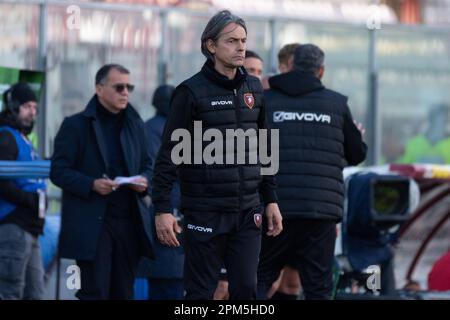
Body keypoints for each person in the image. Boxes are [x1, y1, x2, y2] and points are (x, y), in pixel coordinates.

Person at [152, 10, 282, 300]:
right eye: (232, 41)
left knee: (246, 290)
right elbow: (168, 156)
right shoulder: (190, 92)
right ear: (211, 46)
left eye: (243, 40)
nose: (240, 47)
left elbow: (265, 147)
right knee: (200, 292)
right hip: (205, 211)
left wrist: (271, 200)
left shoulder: (254, 88)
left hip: (248, 211)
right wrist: (161, 209)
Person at [257, 44, 367, 300]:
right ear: (321, 71)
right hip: (320, 212)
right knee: (318, 287)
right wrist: (356, 139)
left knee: (261, 278)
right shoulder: (337, 104)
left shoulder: (268, 101)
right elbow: (357, 154)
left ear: (291, 66)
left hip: (275, 208)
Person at [50, 64, 154, 300]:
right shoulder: (76, 125)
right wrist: (91, 184)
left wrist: (144, 182)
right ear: (99, 89)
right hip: (92, 226)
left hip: (129, 223)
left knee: (124, 293)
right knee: (94, 292)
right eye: (119, 87)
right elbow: (58, 171)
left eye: (129, 87)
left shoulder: (135, 125)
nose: (125, 92)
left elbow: (150, 166)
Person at [136, 84, 185, 300]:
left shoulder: (147, 128)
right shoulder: (178, 129)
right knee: (172, 281)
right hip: (173, 212)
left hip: (158, 211)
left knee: (163, 280)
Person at [0, 83, 46, 299]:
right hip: (14, 225)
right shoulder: (6, 137)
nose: (32, 112)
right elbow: (2, 182)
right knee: (11, 292)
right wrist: (31, 200)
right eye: (27, 106)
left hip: (31, 228)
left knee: (35, 292)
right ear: (13, 106)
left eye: (35, 107)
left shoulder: (23, 139)